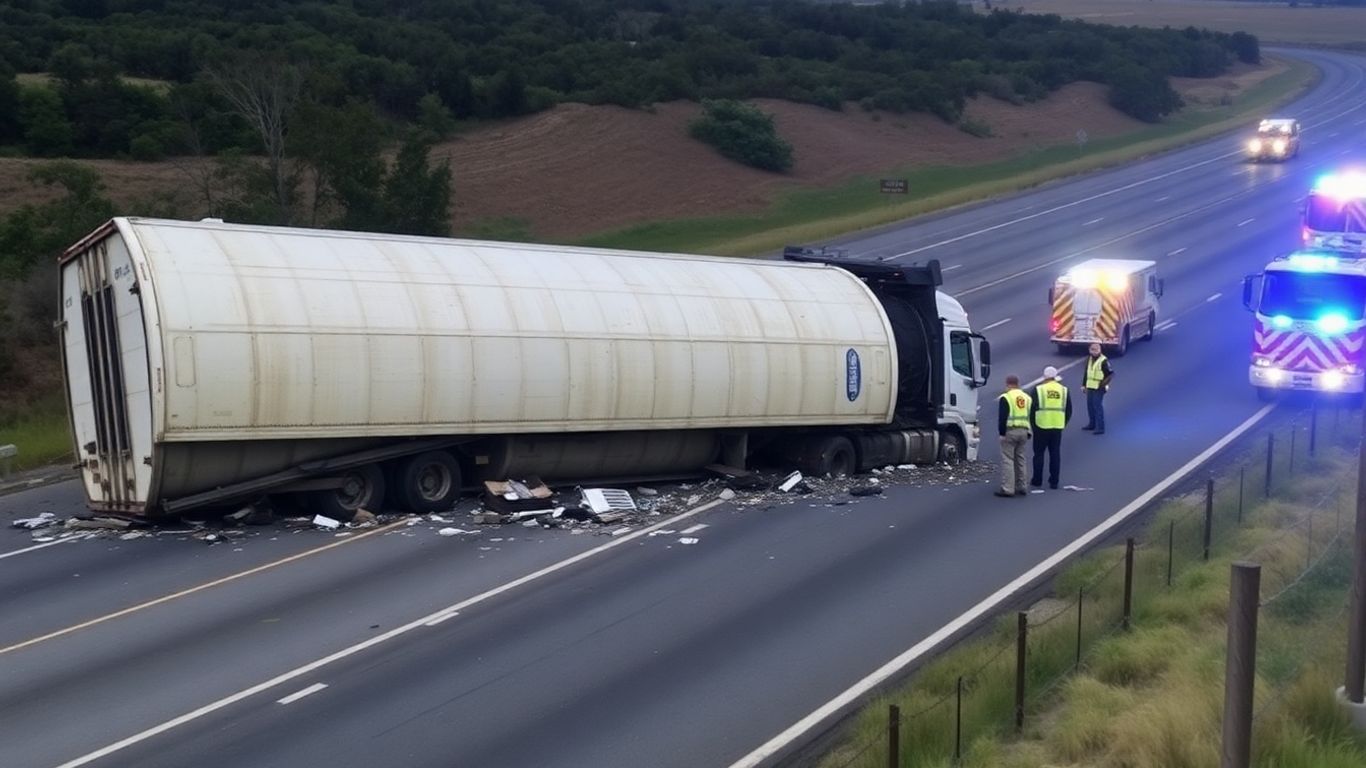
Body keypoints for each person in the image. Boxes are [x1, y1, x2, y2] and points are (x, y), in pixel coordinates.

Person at [1031, 365, 1072, 490]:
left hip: (1041, 425)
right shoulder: (1064, 390)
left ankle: (1037, 480)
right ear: (1055, 377)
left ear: (1045, 377)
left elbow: (1032, 409)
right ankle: (1054, 481)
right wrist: (1063, 423)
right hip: (1057, 426)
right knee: (1055, 453)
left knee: (1038, 454)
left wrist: (1033, 425)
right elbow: (1069, 410)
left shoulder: (1038, 389)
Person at [995, 374, 1032, 498]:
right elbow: (1029, 415)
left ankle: (1008, 488)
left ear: (1007, 384)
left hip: (1010, 431)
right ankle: (1022, 486)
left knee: (1008, 460)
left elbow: (1002, 417)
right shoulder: (1026, 398)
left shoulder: (1006, 397)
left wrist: (1002, 433)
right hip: (1024, 431)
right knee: (1020, 459)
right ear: (1018, 384)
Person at [1082, 343, 1113, 435]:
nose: (1094, 351)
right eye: (1092, 349)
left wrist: (1103, 384)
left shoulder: (1104, 361)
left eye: (1096, 349)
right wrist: (1083, 385)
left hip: (1099, 387)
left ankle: (1100, 428)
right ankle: (1092, 424)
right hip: (1090, 386)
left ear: (1100, 350)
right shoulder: (1089, 359)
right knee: (1090, 406)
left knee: (1097, 407)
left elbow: (1110, 374)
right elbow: (1086, 373)